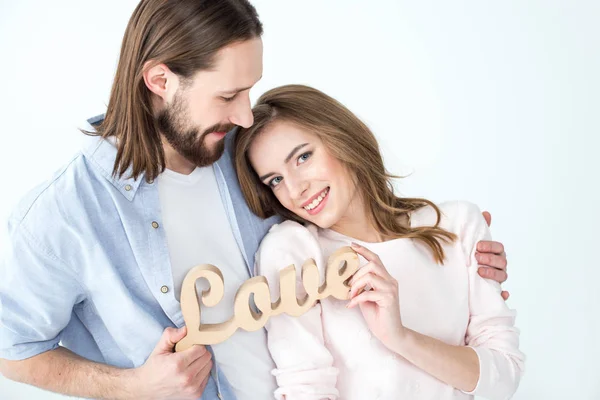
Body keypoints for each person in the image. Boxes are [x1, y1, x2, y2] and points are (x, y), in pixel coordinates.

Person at [0, 1, 510, 399]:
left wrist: (449, 252)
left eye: (250, 90)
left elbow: (340, 211)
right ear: (159, 80)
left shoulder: (240, 152)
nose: (245, 115)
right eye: (227, 96)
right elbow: (11, 350)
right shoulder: (62, 215)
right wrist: (135, 388)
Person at [234, 84, 524, 400]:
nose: (295, 189)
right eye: (275, 180)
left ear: (341, 137)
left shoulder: (457, 225)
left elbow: (503, 379)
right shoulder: (295, 251)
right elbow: (305, 389)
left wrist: (398, 337)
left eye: (303, 157)